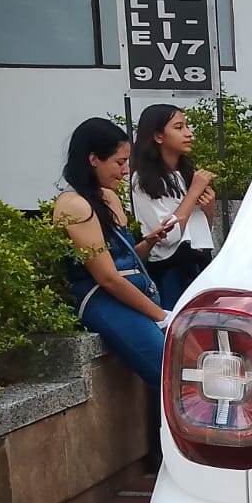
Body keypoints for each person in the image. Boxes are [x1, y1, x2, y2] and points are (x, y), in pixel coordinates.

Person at [53, 119, 177, 390]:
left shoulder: (107, 197)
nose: (126, 170)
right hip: (105, 301)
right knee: (171, 375)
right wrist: (161, 316)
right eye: (119, 162)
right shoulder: (73, 205)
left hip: (130, 298)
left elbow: (124, 261)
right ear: (93, 159)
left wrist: (149, 242)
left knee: (177, 370)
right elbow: (107, 277)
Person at [129, 104, 217, 312]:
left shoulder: (187, 174)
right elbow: (168, 237)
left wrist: (209, 208)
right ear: (158, 136)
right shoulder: (143, 180)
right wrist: (193, 193)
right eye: (178, 128)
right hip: (169, 268)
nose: (188, 133)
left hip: (200, 261)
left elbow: (201, 231)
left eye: (187, 126)